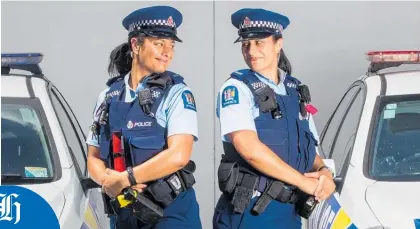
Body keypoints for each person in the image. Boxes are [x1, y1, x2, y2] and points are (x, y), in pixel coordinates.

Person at [213, 8, 336, 229]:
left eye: (259, 43)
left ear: (278, 44)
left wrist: (324, 172)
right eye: (245, 44)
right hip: (251, 212)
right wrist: (304, 183)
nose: (251, 51)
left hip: (289, 211)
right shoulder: (236, 89)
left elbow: (309, 149)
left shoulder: (295, 89)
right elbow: (249, 149)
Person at [86, 5, 202, 229]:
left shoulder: (177, 93)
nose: (167, 52)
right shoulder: (107, 96)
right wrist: (107, 182)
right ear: (135, 45)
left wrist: (125, 179)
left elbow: (179, 154)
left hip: (170, 214)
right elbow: (93, 157)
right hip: (125, 212)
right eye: (159, 44)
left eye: (171, 45)